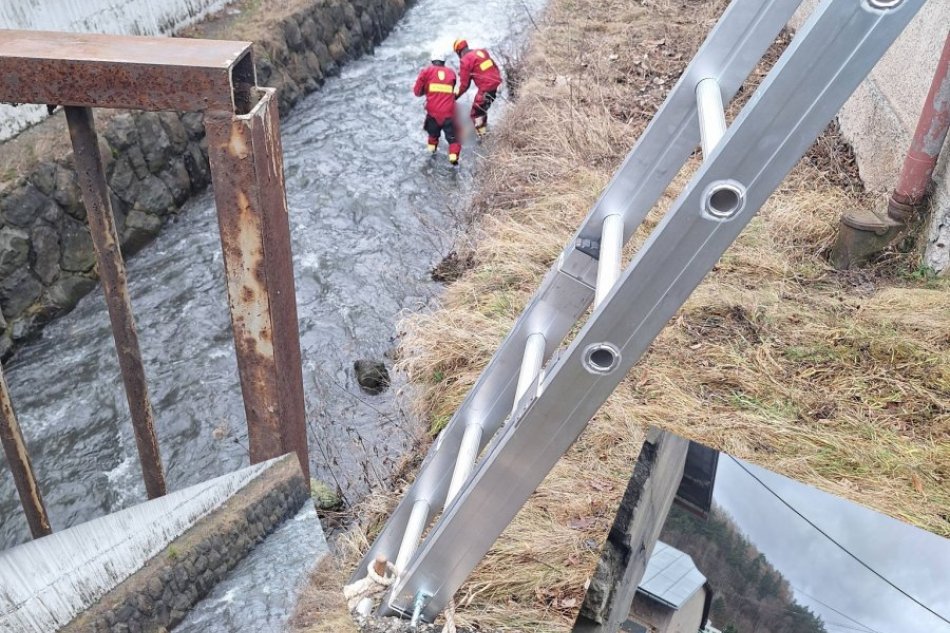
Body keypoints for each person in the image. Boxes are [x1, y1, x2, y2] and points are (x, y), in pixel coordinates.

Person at [413, 46, 462, 165]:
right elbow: (451, 88)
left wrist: (427, 90)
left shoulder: (426, 71)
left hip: (433, 113)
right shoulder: (451, 73)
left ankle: (431, 154)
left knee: (433, 136)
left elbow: (417, 92)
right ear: (444, 62)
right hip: (449, 113)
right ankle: (453, 158)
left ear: (432, 60)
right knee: (453, 139)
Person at [453, 38, 503, 136]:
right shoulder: (481, 51)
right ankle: (485, 129)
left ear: (458, 52)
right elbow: (494, 66)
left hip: (487, 89)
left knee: (476, 113)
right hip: (498, 84)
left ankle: (484, 137)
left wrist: (454, 97)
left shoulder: (465, 61)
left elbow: (464, 85)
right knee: (482, 109)